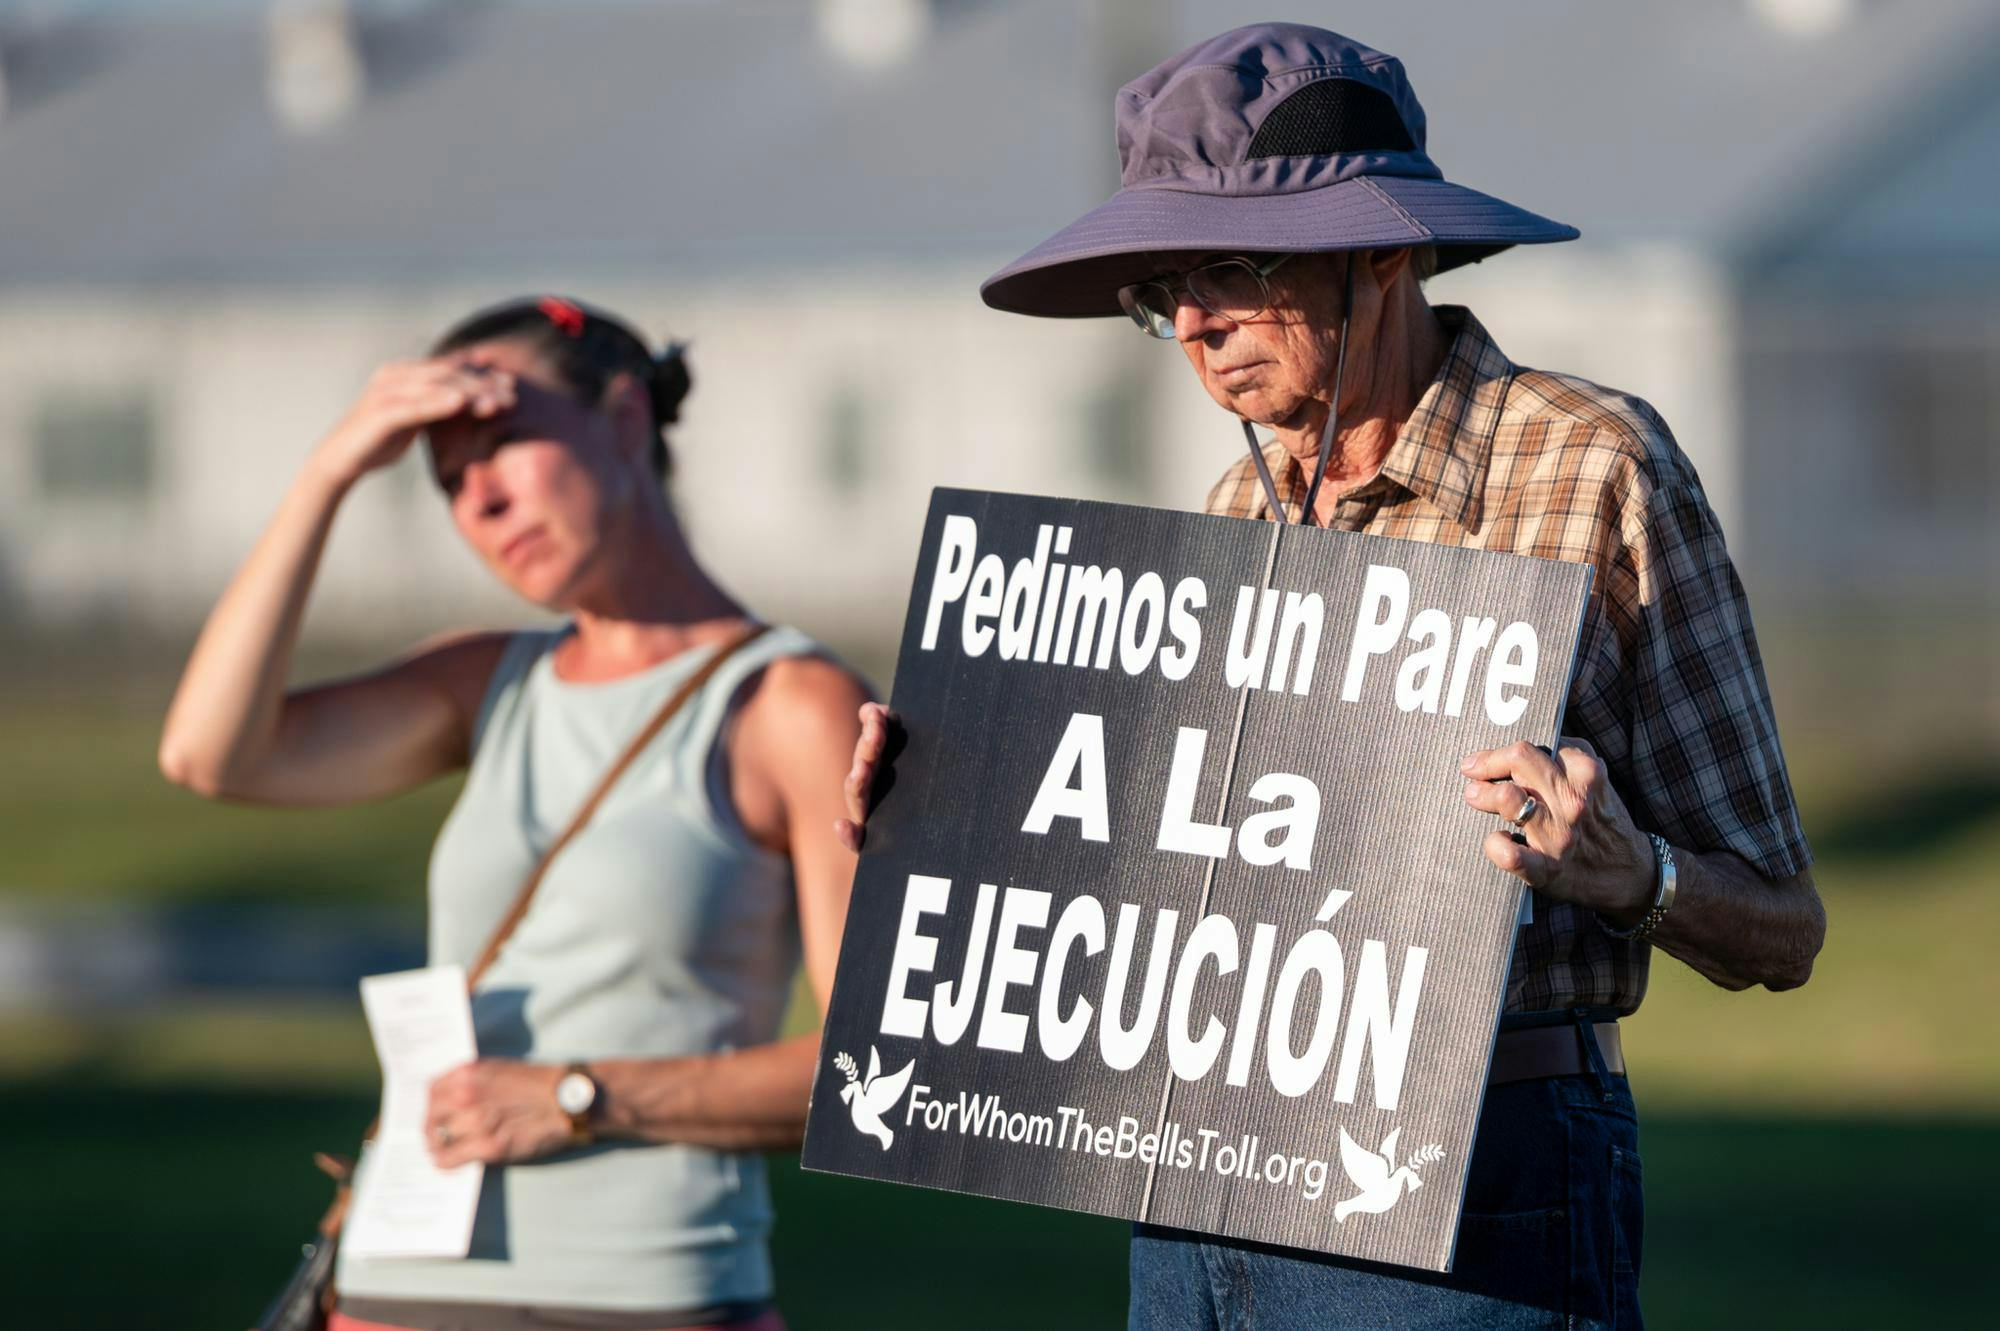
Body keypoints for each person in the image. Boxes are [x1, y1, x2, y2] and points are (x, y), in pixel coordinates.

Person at [837, 24, 1825, 1331]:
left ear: (1387, 251)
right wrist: (954, 804)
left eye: (1235, 267)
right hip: (1193, 1177)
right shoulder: (1231, 507)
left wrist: (1627, 871)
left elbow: (1784, 925)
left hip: (1485, 1165)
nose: (1193, 321)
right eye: (1167, 285)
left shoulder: (1595, 465)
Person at [159, 296, 870, 1331]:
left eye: (503, 445)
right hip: (398, 1288)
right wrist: (329, 472)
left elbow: (872, 1072)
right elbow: (209, 751)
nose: (479, 499)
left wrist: (579, 1094)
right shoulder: (484, 681)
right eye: (447, 479)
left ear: (626, 417)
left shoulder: (788, 701)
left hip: (651, 1294)